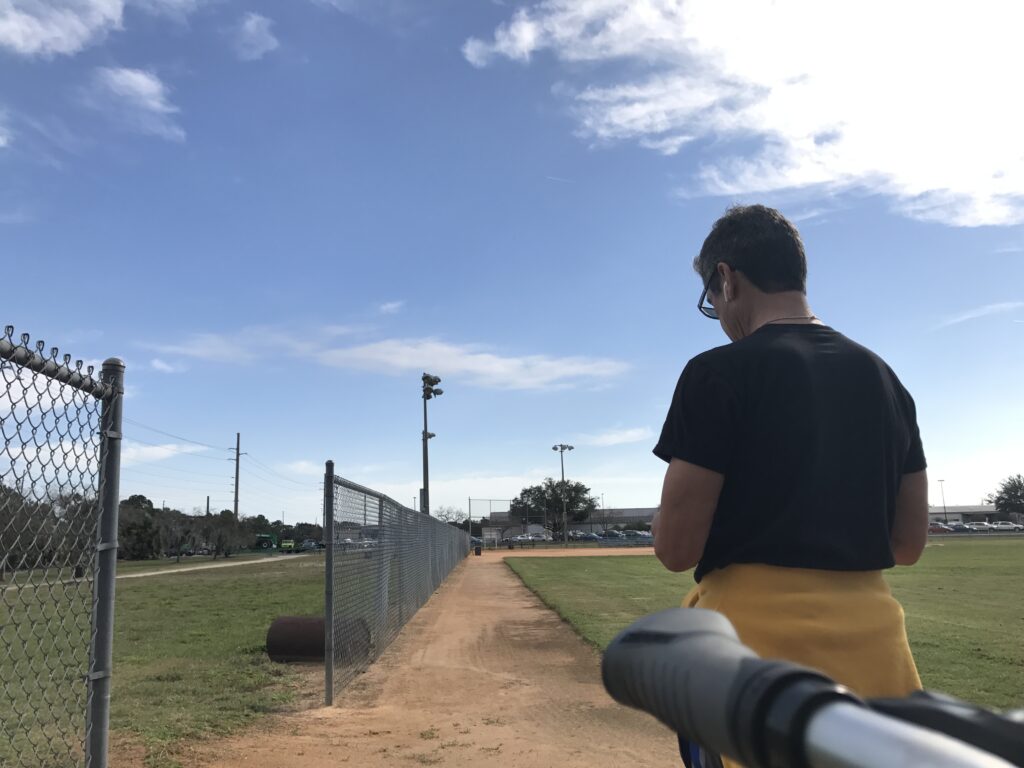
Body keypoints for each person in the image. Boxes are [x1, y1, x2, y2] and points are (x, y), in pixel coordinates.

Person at [651, 205, 928, 768]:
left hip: (755, 667)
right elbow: (907, 546)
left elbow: (675, 551)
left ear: (727, 278)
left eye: (712, 300)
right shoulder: (884, 378)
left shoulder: (716, 373)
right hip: (878, 656)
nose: (718, 314)